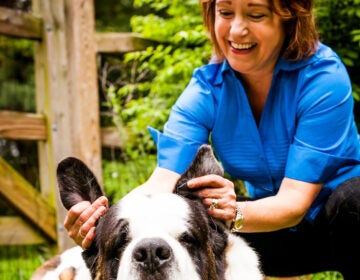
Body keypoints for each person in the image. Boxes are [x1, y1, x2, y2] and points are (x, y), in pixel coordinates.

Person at [64, 0, 360, 278]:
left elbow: (294, 204)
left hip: (341, 226)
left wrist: (235, 212)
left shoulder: (323, 78)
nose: (236, 30)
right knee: (203, 215)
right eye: (225, 12)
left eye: (255, 14)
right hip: (272, 231)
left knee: (352, 200)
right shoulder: (208, 87)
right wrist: (99, 222)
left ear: (290, 19)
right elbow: (163, 181)